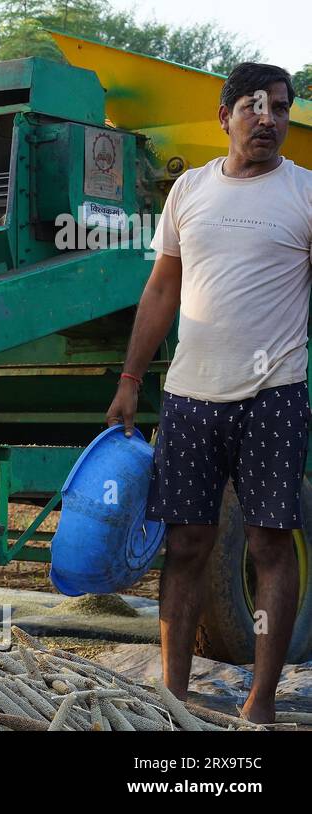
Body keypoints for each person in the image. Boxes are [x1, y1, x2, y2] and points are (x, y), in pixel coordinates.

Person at [105, 63, 312, 723]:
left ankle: (259, 701)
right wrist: (131, 379)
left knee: (269, 544)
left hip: (273, 394)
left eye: (280, 108)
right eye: (254, 107)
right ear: (224, 117)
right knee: (187, 543)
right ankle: (174, 694)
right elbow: (163, 288)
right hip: (190, 398)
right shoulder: (189, 190)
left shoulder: (306, 193)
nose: (268, 120)